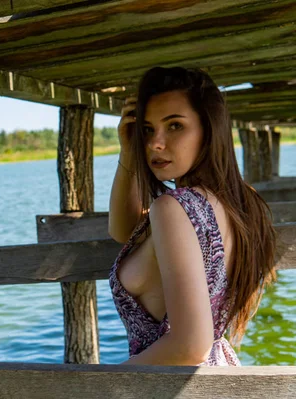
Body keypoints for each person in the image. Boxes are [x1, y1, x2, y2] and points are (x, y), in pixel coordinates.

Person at [107, 66, 277, 366]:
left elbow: (190, 346)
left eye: (174, 126)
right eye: (147, 129)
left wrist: (99, 386)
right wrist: (129, 152)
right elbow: (126, 234)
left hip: (174, 388)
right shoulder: (240, 202)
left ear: (209, 130)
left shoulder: (173, 208)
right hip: (219, 373)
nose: (155, 143)